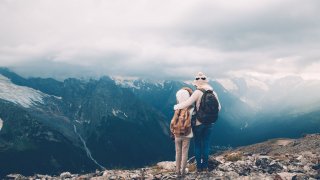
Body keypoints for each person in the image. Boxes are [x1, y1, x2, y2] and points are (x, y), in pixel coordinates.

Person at [174, 72, 221, 172]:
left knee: (198, 144)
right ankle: (205, 166)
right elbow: (219, 108)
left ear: (197, 83)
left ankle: (199, 167)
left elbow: (186, 104)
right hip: (210, 123)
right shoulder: (213, 92)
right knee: (207, 144)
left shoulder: (197, 92)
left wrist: (176, 107)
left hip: (199, 123)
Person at [170, 87, 194, 176]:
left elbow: (173, 121)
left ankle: (177, 171)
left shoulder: (177, 108)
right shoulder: (191, 109)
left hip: (177, 133)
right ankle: (183, 171)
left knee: (178, 152)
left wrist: (172, 131)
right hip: (187, 134)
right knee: (185, 153)